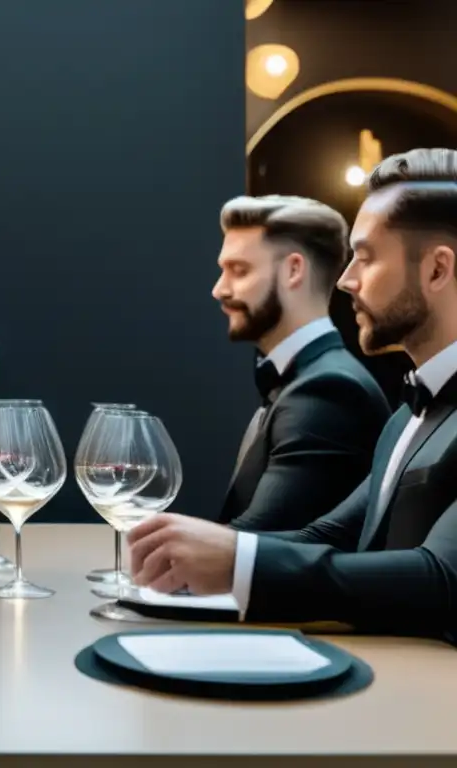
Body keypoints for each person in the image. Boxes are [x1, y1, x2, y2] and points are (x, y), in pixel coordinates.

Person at [128, 148, 457, 640]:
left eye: (365, 257)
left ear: (437, 270)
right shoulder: (402, 420)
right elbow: (325, 536)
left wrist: (239, 562)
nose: (345, 280)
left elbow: (442, 578)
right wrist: (198, 550)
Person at [213, 195, 390, 531]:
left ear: (294, 270)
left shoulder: (328, 390)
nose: (219, 289)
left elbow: (258, 544)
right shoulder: (305, 379)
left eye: (239, 270)